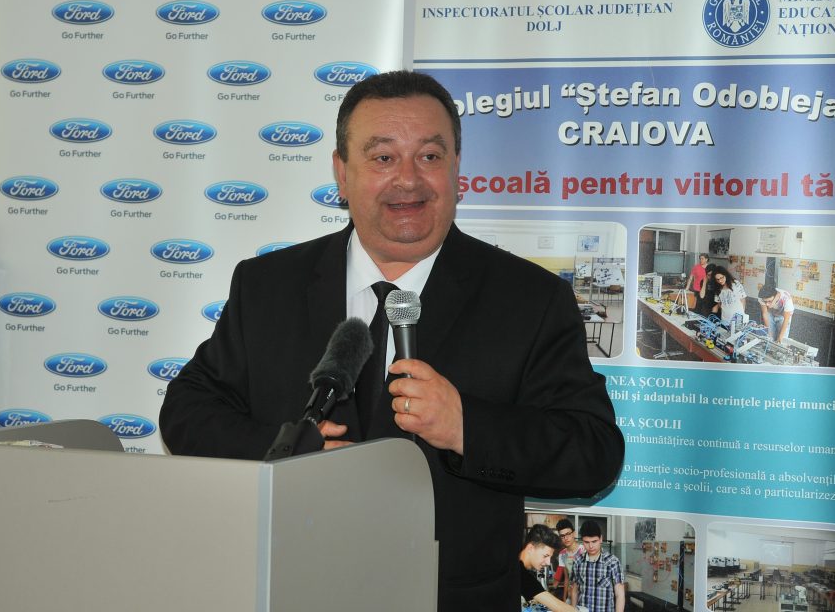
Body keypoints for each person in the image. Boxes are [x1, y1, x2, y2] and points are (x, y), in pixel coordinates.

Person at [159, 70, 624, 612]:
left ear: (456, 169)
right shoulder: (268, 286)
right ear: (342, 172)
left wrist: (467, 427)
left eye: (429, 156)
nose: (408, 180)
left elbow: (594, 453)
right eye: (383, 157)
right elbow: (188, 410)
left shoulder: (529, 298)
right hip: (291, 589)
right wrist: (284, 451)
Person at [521, 524, 580, 612]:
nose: (548, 562)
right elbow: (558, 606)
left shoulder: (524, 574)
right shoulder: (517, 572)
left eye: (550, 557)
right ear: (530, 548)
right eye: (545, 556)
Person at [570, 522, 624, 612]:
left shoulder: (612, 561)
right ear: (582, 541)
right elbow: (574, 591)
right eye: (586, 542)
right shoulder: (577, 561)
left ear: (601, 539)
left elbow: (620, 594)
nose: (591, 546)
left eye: (594, 541)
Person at [553, 518, 585, 595]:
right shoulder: (562, 554)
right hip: (571, 594)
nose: (566, 538)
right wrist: (565, 598)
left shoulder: (584, 550)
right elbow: (567, 579)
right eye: (562, 536)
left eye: (568, 534)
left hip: (584, 593)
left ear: (574, 533)